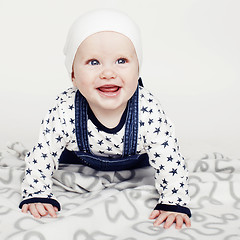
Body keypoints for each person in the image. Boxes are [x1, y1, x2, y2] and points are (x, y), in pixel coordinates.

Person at [19, 8, 191, 229]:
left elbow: (170, 159)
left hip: (137, 159)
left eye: (121, 60)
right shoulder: (65, 108)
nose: (108, 73)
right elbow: (42, 153)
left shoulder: (147, 110)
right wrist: (37, 193)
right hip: (79, 159)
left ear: (138, 70)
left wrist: (173, 201)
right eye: (93, 62)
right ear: (73, 75)